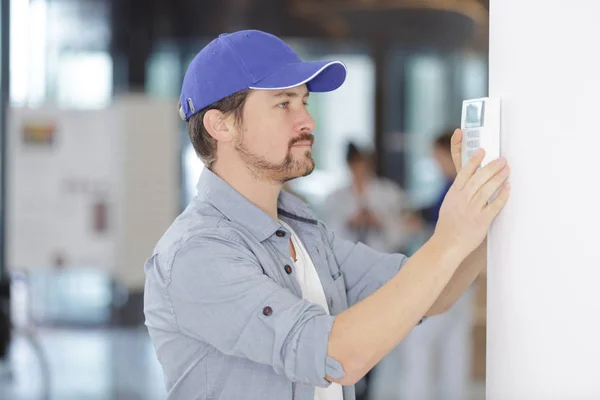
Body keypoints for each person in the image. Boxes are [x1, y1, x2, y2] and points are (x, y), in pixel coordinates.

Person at [143, 29, 511, 400]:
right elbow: (337, 354)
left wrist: (482, 214)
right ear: (220, 125)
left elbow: (434, 294)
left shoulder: (305, 233)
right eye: (284, 104)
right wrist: (448, 238)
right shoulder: (196, 254)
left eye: (304, 101)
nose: (308, 121)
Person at [394, 130, 477, 400]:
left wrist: (419, 219)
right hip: (463, 277)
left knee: (419, 345)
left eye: (436, 154)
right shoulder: (458, 184)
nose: (434, 160)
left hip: (446, 277)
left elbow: (444, 218)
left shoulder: (457, 185)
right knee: (454, 351)